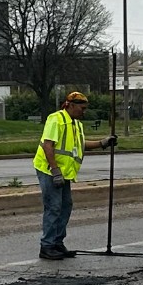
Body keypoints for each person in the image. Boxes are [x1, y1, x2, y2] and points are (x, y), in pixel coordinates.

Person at [34, 91, 117, 260]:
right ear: (70, 105)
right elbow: (47, 145)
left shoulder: (76, 124)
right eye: (82, 108)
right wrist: (55, 170)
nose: (84, 111)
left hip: (64, 173)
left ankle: (57, 243)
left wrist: (103, 143)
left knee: (65, 206)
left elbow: (80, 144)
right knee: (54, 207)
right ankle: (47, 246)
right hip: (50, 170)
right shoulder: (55, 119)